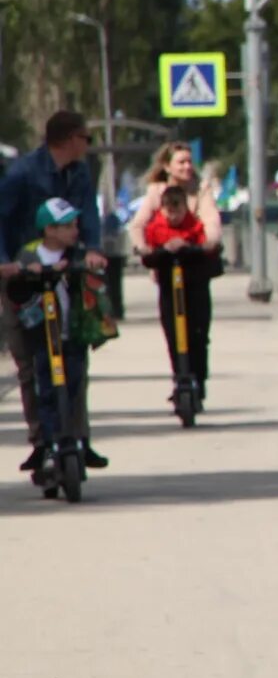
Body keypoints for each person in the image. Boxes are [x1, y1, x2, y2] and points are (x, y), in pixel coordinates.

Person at [10, 196, 109, 473]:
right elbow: (17, 291)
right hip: (43, 338)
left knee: (75, 386)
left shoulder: (76, 253)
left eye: (75, 224)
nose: (75, 230)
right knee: (47, 391)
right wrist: (27, 273)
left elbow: (94, 272)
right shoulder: (30, 254)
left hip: (71, 334)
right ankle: (49, 444)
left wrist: (93, 263)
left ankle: (77, 440)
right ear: (49, 229)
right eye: (67, 225)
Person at [128, 142, 223, 403]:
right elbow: (138, 226)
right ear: (168, 166)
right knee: (172, 330)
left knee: (199, 331)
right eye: (181, 162)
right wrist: (145, 248)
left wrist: (208, 243)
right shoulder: (156, 193)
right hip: (168, 270)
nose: (187, 167)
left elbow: (211, 222)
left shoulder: (200, 192)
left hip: (195, 268)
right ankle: (180, 376)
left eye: (189, 161)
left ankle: (198, 379)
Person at [0, 109, 106, 288]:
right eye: (87, 139)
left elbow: (89, 212)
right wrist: (3, 260)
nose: (88, 145)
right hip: (24, 265)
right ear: (71, 139)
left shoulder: (80, 172)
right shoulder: (23, 172)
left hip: (65, 262)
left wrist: (92, 249)